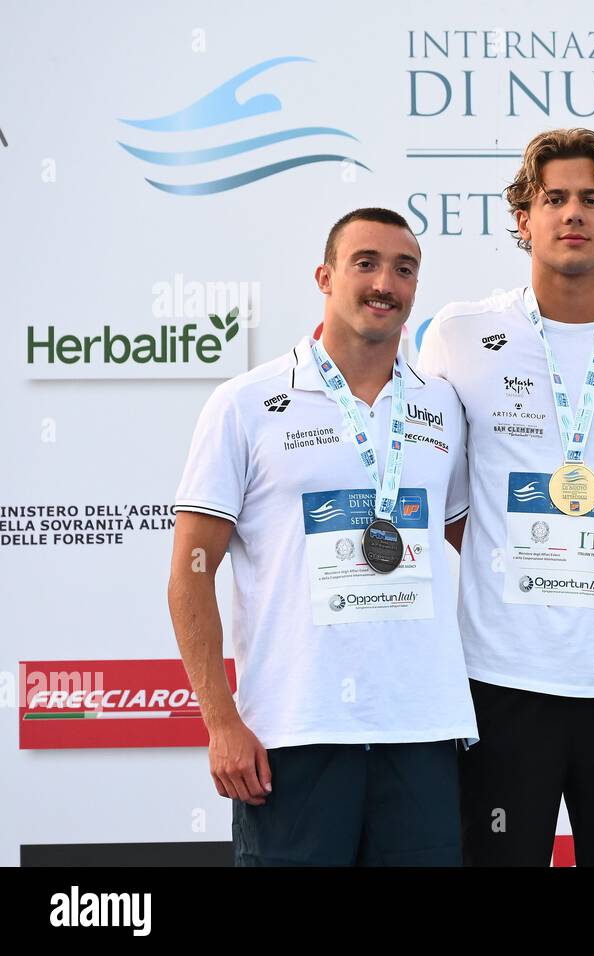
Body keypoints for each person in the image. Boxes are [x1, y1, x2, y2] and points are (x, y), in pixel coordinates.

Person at [418, 129, 594, 867]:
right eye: (554, 199)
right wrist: (523, 558)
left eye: (592, 199)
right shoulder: (459, 333)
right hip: (500, 678)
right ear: (523, 218)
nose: (572, 213)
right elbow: (431, 496)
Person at [168, 208, 476, 866]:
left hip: (421, 733)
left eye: (404, 268)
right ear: (325, 276)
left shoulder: (443, 405)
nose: (384, 283)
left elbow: (479, 540)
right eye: (365, 263)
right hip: (292, 736)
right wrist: (221, 722)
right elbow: (191, 571)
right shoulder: (245, 403)